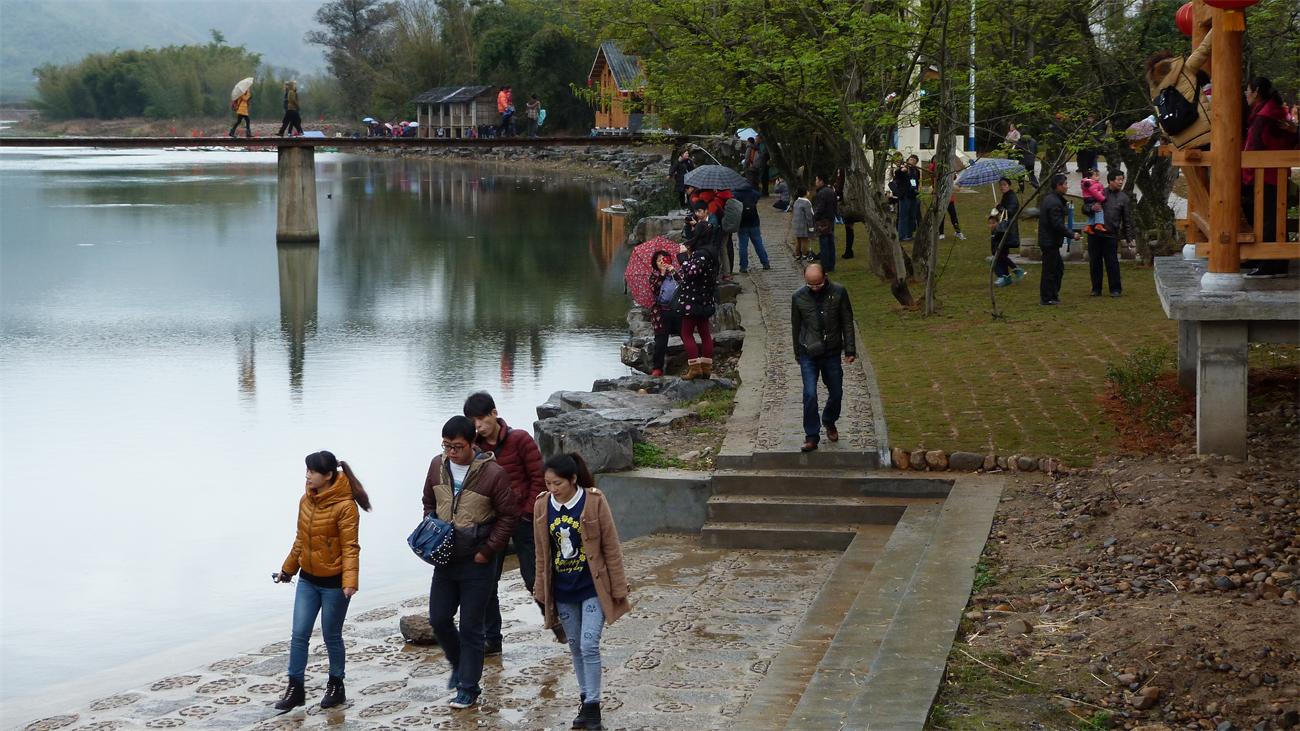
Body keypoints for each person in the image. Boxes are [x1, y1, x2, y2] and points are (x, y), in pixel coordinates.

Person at [422, 416, 519, 710]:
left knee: (471, 627)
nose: (451, 452)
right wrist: (431, 527)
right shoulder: (436, 466)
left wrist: (488, 550)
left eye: (457, 447)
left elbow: (508, 515)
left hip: (478, 561)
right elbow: (428, 500)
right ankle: (459, 663)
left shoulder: (493, 474)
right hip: (445, 558)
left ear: (472, 443)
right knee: (439, 619)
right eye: (446, 446)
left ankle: (468, 687)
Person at [532, 452, 630, 731]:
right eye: (548, 483)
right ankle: (585, 700)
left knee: (589, 644)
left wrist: (619, 586)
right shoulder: (542, 506)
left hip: (592, 588)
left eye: (558, 484)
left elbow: (611, 546)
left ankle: (594, 708)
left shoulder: (594, 501)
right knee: (575, 646)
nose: (552, 489)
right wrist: (540, 588)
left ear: (573, 479)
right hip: (562, 590)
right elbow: (542, 552)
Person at [272, 451, 372, 711]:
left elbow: (351, 546)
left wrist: (350, 581)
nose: (307, 475)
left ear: (328, 476)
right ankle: (295, 689)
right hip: (307, 580)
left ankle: (336, 685)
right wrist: (287, 571)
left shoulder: (346, 506)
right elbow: (300, 541)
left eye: (312, 471)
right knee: (299, 634)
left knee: (331, 636)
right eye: (306, 470)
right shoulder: (305, 500)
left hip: (334, 584)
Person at [462, 392, 560, 655]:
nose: (478, 426)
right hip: (491, 523)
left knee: (533, 578)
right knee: (485, 582)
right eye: (473, 422)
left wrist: (527, 513)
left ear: (494, 414)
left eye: (481, 419)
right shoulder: (475, 449)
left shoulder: (519, 439)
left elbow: (539, 479)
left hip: (522, 520)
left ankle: (555, 620)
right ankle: (492, 639)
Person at [791, 263, 856, 452]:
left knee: (836, 392)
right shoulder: (798, 297)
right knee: (809, 393)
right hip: (808, 351)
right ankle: (811, 435)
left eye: (818, 284)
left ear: (825, 277)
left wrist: (850, 350)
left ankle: (829, 420)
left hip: (832, 351)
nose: (815, 288)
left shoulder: (839, 292)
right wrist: (797, 352)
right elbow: (796, 326)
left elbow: (847, 321)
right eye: (810, 285)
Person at [1241, 77, 1293, 278]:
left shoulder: (1265, 116)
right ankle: (1267, 259)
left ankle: (1273, 262)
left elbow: (1255, 146)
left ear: (1256, 92)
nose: (1246, 94)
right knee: (1270, 217)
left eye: (1248, 90)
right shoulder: (1270, 112)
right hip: (1272, 173)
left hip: (1267, 174)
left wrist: (1246, 170)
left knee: (1269, 219)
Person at [1145, 34, 1212, 150]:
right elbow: (1204, 49)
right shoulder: (1184, 70)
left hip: (1182, 144)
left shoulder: (1156, 93)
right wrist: (1216, 25)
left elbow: (1163, 124)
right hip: (1207, 134)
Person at [677, 203, 719, 380]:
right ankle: (706, 366)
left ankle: (695, 367)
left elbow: (692, 272)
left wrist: (683, 259)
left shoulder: (702, 254)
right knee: (704, 332)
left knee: (686, 333)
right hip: (706, 297)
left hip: (694, 298)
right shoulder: (711, 250)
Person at [1090, 170, 1133, 297]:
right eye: (1118, 179)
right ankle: (1096, 288)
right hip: (1095, 234)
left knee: (1112, 262)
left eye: (1122, 179)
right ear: (1110, 181)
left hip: (1111, 234)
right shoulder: (1098, 192)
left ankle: (1115, 289)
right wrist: (1091, 208)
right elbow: (1085, 208)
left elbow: (1127, 220)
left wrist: (1129, 238)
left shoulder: (1123, 198)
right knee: (1095, 262)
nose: (1121, 182)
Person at [1038, 173, 1078, 305]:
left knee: (1057, 268)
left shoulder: (1052, 199)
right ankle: (1048, 297)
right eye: (1065, 184)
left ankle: (1052, 295)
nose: (1067, 187)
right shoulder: (1054, 203)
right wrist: (1072, 234)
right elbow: (1057, 225)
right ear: (1058, 186)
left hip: (1049, 241)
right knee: (1051, 270)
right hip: (1050, 241)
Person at [648, 251, 682, 377]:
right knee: (661, 342)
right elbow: (655, 290)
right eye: (659, 260)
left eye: (664, 259)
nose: (662, 262)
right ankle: (657, 368)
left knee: (685, 335)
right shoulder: (654, 276)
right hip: (661, 312)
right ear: (655, 264)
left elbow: (684, 283)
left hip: (678, 310)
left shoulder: (676, 272)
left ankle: (694, 362)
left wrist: (672, 271)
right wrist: (662, 274)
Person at [992, 177, 1025, 286]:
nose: (1002, 187)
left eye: (1004, 184)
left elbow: (1009, 212)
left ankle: (1016, 270)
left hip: (1007, 230)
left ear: (1009, 185)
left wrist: (999, 207)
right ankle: (1006, 277)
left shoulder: (1011, 197)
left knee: (999, 253)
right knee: (1001, 253)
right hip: (1004, 229)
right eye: (1000, 185)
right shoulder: (1006, 196)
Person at [733, 183, 771, 273]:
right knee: (758, 243)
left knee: (743, 246)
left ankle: (743, 267)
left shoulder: (735, 194)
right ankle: (765, 263)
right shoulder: (754, 193)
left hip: (742, 223)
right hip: (754, 221)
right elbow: (758, 196)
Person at [927, 157, 964, 240]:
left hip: (949, 196)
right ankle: (941, 233)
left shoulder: (947, 167)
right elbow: (933, 172)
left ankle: (958, 232)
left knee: (953, 214)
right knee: (941, 215)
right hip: (939, 195)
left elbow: (953, 177)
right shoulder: (934, 168)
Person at [813, 172, 838, 273]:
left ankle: (825, 266)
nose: (815, 182)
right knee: (830, 243)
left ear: (821, 181)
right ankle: (831, 265)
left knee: (824, 244)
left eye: (816, 180)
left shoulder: (822, 193)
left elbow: (820, 208)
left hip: (823, 220)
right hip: (831, 219)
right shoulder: (831, 191)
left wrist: (815, 217)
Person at [891, 156, 920, 242]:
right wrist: (901, 170)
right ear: (908, 160)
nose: (912, 162)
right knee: (903, 216)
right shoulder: (903, 169)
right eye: (911, 160)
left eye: (914, 161)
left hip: (913, 195)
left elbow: (916, 181)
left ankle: (909, 235)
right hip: (905, 195)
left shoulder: (916, 171)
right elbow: (897, 174)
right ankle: (901, 236)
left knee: (912, 216)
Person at [1080, 168, 1107, 235]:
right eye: (1096, 175)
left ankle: (1088, 226)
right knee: (1099, 210)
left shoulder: (1087, 183)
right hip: (1092, 199)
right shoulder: (1093, 184)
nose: (1098, 177)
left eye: (1098, 175)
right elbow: (1095, 193)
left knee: (1092, 213)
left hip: (1087, 200)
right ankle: (1099, 224)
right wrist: (1103, 199)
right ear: (1090, 177)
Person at [791, 187, 815, 261]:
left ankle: (797, 255)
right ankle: (804, 254)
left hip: (796, 223)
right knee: (805, 240)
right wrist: (811, 226)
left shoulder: (796, 201)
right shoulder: (806, 202)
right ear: (805, 193)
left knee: (798, 240)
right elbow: (809, 215)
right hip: (803, 224)